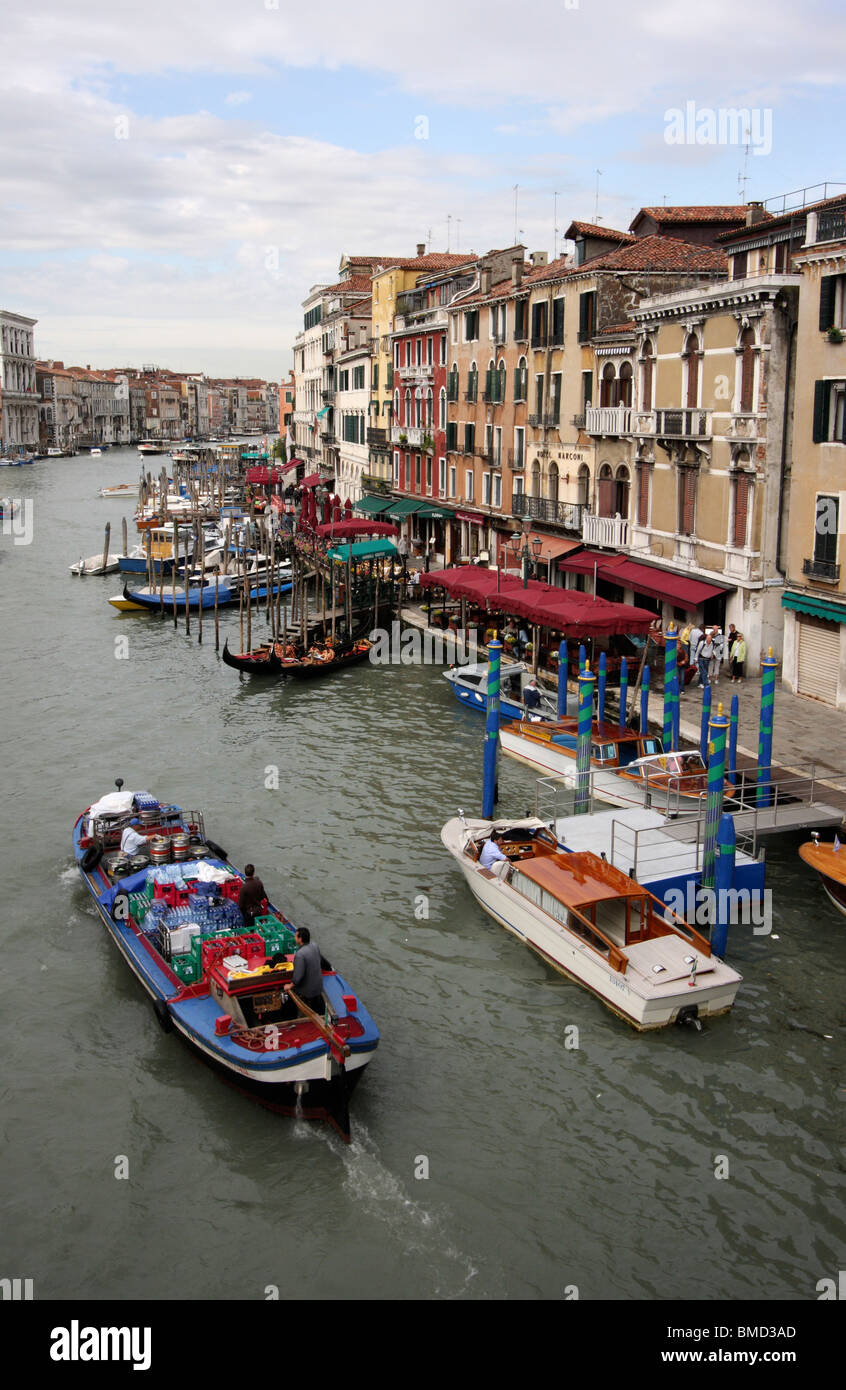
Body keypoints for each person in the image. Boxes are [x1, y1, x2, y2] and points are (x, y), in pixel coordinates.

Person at [283, 926, 324, 1015]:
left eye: (296, 936)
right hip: (318, 988)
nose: (294, 938)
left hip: (307, 992)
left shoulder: (300, 955)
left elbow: (298, 977)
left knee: (295, 1003)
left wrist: (289, 986)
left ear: (300, 939)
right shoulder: (314, 945)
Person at [238, 863, 266, 927]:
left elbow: (240, 905)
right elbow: (263, 897)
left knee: (250, 928)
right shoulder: (259, 883)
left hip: (249, 914)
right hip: (258, 911)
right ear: (253, 873)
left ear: (245, 873)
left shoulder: (244, 888)